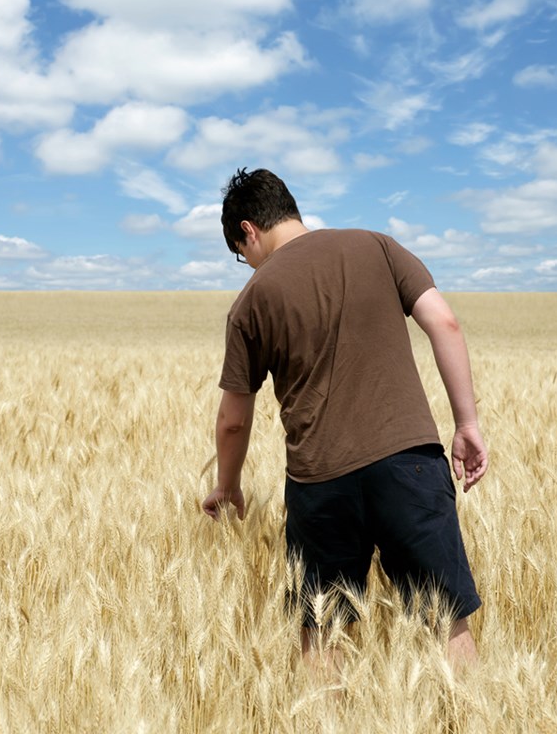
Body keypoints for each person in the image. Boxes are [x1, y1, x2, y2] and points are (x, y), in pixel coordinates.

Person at [201, 168, 488, 667]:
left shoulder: (251, 301)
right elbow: (445, 322)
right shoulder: (376, 246)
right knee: (445, 622)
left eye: (240, 254)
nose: (246, 265)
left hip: (320, 480)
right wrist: (466, 425)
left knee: (323, 632)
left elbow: (232, 419)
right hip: (409, 460)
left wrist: (227, 486)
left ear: (248, 230)